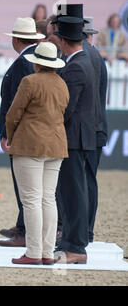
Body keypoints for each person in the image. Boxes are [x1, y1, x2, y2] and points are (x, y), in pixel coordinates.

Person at [5, 42, 68, 265]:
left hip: (30, 144)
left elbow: (13, 115)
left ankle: (33, 252)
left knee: (31, 200)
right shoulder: (61, 83)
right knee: (48, 199)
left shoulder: (29, 81)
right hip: (56, 145)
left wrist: (11, 138)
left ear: (37, 63)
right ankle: (47, 252)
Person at [0, 17, 44, 247]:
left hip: (23, 132)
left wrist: (7, 132)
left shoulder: (25, 61)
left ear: (16, 39)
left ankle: (25, 231)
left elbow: (17, 103)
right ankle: (23, 226)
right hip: (28, 130)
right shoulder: (28, 59)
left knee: (24, 184)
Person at [54, 18, 97, 264]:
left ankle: (76, 246)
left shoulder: (77, 66)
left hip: (73, 137)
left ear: (62, 41)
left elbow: (66, 107)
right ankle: (72, 243)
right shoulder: (80, 61)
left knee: (73, 193)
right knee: (72, 192)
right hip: (76, 136)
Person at [83, 16, 108, 243]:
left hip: (91, 128)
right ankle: (86, 230)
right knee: (88, 179)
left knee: (87, 180)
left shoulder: (89, 57)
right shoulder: (95, 57)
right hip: (95, 128)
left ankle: (86, 230)